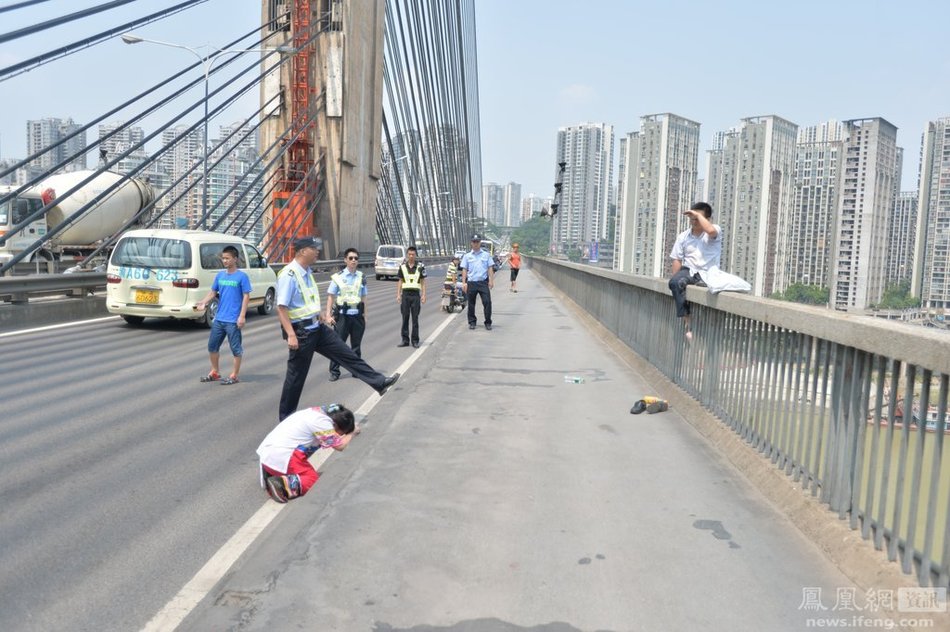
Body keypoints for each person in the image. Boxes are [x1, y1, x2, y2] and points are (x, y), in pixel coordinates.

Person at [276, 236, 398, 421]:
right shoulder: (289, 274)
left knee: (347, 354)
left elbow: (306, 302)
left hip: (318, 327)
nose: (318, 251)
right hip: (301, 334)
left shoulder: (307, 271)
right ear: (302, 251)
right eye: (314, 248)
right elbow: (282, 307)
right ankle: (285, 419)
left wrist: (322, 315)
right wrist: (291, 335)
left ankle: (379, 383)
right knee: (296, 378)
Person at [257, 403, 357, 503]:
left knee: (308, 456)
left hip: (268, 453)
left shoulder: (314, 412)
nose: (339, 435)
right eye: (341, 433)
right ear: (336, 425)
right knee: (314, 482)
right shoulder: (322, 422)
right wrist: (352, 433)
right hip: (284, 454)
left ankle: (273, 471)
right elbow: (339, 446)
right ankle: (281, 484)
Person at [195, 245, 251, 385]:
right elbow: (213, 292)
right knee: (212, 347)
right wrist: (203, 302)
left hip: (233, 320)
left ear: (235, 259)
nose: (225, 261)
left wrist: (242, 316)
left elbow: (246, 296)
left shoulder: (242, 277)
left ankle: (234, 375)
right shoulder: (220, 275)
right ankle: (215, 372)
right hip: (219, 318)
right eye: (223, 258)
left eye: (227, 258)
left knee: (236, 349)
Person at [668, 202, 722, 341]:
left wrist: (697, 214)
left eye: (697, 218)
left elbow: (710, 231)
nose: (694, 221)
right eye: (692, 218)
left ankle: (707, 331)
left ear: (707, 219)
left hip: (709, 272)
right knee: (675, 283)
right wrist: (675, 286)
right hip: (690, 271)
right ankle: (688, 323)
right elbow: (677, 259)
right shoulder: (683, 237)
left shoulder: (714, 230)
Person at [325, 247, 367, 381]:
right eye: (351, 258)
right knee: (338, 345)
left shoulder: (361, 277)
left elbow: (364, 297)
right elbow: (331, 297)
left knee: (356, 345)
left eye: (356, 258)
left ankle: (356, 370)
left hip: (357, 315)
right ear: (345, 260)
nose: (353, 260)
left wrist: (365, 315)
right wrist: (328, 315)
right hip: (342, 316)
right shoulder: (338, 277)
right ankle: (334, 371)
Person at [460, 234, 494, 330]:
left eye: (477, 242)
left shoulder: (486, 255)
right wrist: (464, 282)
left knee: (487, 302)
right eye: (474, 242)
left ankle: (488, 322)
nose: (475, 244)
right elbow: (464, 270)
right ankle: (472, 322)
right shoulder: (467, 256)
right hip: (471, 283)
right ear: (471, 243)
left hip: (483, 282)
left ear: (480, 243)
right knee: (471, 304)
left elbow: (490, 268)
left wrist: (491, 280)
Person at [396, 245, 426, 348]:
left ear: (415, 255)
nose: (411, 256)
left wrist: (423, 295)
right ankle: (405, 340)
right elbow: (400, 281)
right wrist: (398, 294)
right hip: (405, 295)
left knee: (415, 318)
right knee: (405, 318)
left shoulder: (420, 267)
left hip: (415, 295)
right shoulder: (402, 267)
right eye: (409, 254)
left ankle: (415, 340)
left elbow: (423, 282)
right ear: (407, 255)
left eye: (413, 254)